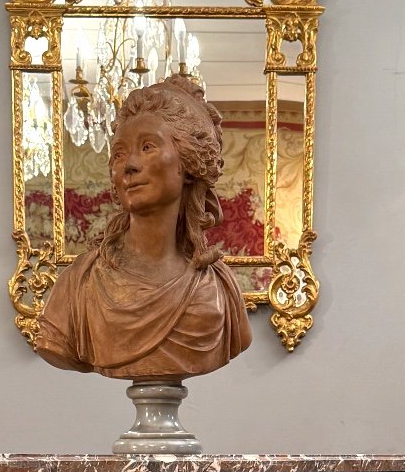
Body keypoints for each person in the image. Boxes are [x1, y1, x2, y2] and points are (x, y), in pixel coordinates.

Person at [34, 75, 252, 380]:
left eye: (147, 147)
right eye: (119, 153)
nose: (129, 165)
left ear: (188, 164)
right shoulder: (80, 283)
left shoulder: (218, 287)